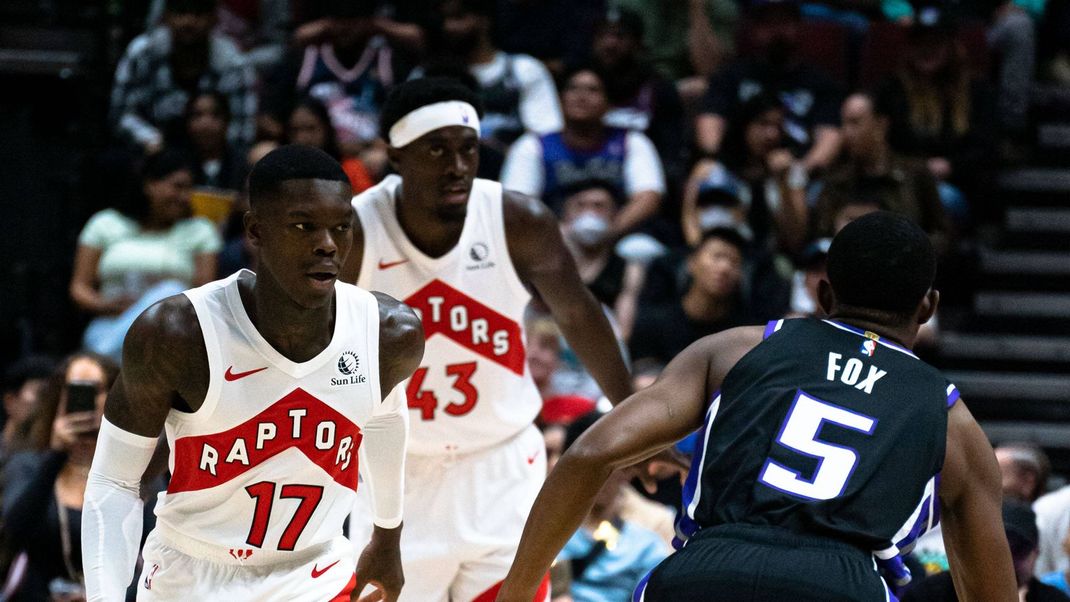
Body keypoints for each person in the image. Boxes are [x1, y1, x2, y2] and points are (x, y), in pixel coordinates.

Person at [497, 211, 1017, 601]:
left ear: (824, 294)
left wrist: (517, 593)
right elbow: (988, 590)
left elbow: (591, 454)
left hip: (705, 572)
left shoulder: (738, 347)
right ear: (928, 306)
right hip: (842, 585)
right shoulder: (951, 419)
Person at [80, 145, 424, 601]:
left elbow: (384, 419)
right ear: (256, 231)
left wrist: (386, 535)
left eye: (341, 227)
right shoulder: (177, 334)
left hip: (315, 570)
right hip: (192, 574)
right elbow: (115, 481)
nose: (328, 244)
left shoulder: (387, 332)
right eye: (305, 226)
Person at [341, 77, 635, 602]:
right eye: (437, 150)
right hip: (394, 477)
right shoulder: (355, 229)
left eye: (468, 149)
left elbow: (578, 313)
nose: (457, 166)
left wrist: (632, 411)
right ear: (396, 156)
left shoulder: (515, 219)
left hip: (501, 469)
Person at [70, 150, 223, 363]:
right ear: (150, 184)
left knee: (171, 290)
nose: (185, 197)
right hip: (111, 324)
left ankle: (99, 362)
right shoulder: (105, 223)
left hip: (172, 334)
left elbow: (206, 294)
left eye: (189, 189)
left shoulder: (199, 230)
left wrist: (152, 308)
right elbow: (79, 287)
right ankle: (105, 360)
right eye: (177, 187)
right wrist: (107, 305)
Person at [1, 353, 119, 601]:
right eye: (74, 388)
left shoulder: (129, 470)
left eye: (96, 390)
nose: (85, 398)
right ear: (59, 396)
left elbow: (150, 550)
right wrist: (55, 455)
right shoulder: (29, 463)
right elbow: (13, 531)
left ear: (112, 396)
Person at [501, 66, 666, 242]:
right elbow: (517, 204)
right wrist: (563, 235)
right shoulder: (532, 146)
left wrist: (609, 233)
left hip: (618, 239)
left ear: (609, 104)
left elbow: (648, 197)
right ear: (560, 99)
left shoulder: (631, 142)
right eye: (573, 88)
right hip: (551, 240)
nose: (581, 97)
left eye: (593, 90)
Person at [694, 0, 843, 175]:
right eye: (769, 23)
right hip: (737, 172)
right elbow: (710, 122)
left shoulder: (820, 83)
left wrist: (800, 172)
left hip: (798, 173)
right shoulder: (731, 76)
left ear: (798, 26)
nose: (777, 31)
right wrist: (718, 163)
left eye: (784, 22)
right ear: (754, 29)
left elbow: (830, 136)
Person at [110, 0, 257, 154]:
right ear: (165, 16)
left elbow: (242, 129)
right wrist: (152, 140)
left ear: (214, 19)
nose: (188, 21)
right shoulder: (143, 53)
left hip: (215, 157)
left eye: (198, 14)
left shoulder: (232, 62)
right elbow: (122, 115)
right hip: (154, 151)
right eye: (180, 12)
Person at [813, 92, 948, 244]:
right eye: (843, 123)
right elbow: (819, 236)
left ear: (880, 125)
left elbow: (943, 237)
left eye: (855, 123)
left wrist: (905, 246)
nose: (846, 132)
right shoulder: (836, 177)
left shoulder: (915, 173)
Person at [434, 0, 563, 154]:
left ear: (484, 20)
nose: (449, 27)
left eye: (458, 17)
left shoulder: (524, 69)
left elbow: (546, 136)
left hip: (513, 170)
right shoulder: (429, 76)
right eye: (445, 19)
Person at [629, 228, 754, 366]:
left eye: (734, 262)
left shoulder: (743, 333)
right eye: (717, 256)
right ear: (691, 263)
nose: (725, 268)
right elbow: (642, 377)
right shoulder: (654, 323)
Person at [902, 502, 1068, 602]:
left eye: (1018, 550)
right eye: (994, 549)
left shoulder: (1053, 600)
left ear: (1036, 553)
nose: (1006, 561)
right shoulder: (929, 595)